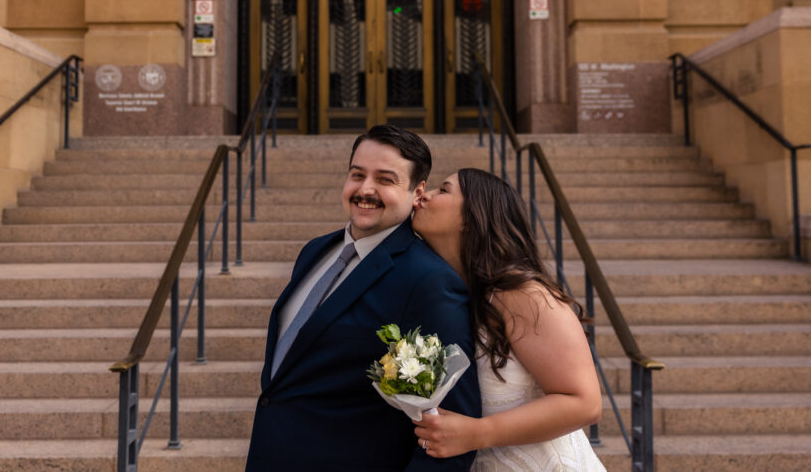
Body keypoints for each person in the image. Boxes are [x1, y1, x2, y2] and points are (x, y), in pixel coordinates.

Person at [246, 125, 481, 471]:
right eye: (357, 175)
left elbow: (451, 434)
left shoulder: (429, 281)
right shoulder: (315, 250)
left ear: (417, 192)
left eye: (385, 180)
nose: (365, 190)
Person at [411, 168, 605, 471]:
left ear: (472, 218)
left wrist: (475, 434)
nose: (425, 194)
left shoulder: (521, 294)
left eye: (443, 190)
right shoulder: (454, 294)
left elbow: (585, 403)